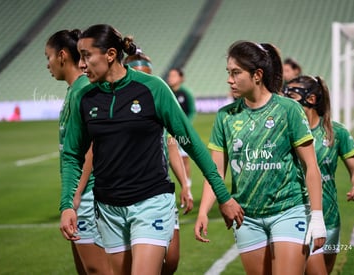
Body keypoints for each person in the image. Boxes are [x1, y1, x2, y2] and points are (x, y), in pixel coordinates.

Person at [62, 24, 243, 275]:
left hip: (151, 201)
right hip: (108, 208)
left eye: (86, 56)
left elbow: (192, 143)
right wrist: (67, 205)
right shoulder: (85, 98)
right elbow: (72, 155)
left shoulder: (152, 88)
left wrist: (223, 196)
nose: (81, 65)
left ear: (111, 54)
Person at [194, 40, 326, 275]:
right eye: (228, 73)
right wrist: (204, 210)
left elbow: (311, 167)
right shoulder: (225, 116)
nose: (229, 80)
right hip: (247, 218)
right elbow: (215, 172)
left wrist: (317, 217)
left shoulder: (288, 109)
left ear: (257, 75)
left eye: (236, 73)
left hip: (289, 210)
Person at [45, 29, 112, 275]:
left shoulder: (84, 88)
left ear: (62, 56)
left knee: (97, 269)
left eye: (48, 57)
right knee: (85, 270)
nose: (47, 64)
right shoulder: (74, 89)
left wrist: (75, 195)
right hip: (81, 194)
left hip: (87, 194)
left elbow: (91, 147)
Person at [284, 75, 354, 274]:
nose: (285, 101)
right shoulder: (285, 132)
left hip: (329, 219)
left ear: (310, 99)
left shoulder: (336, 132)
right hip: (294, 216)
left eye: (291, 95)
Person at [123, 50, 193, 275]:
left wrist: (185, 184)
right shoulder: (115, 107)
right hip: (126, 192)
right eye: (139, 73)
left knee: (171, 260)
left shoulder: (156, 99)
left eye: (148, 74)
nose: (144, 80)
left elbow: (172, 144)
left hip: (159, 189)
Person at [166, 68, 196, 190]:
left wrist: (184, 125)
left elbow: (192, 111)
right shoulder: (167, 92)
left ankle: (187, 185)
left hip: (182, 132)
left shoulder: (186, 93)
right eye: (170, 75)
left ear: (181, 78)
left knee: (184, 158)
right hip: (169, 132)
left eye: (174, 75)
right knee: (169, 158)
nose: (170, 78)